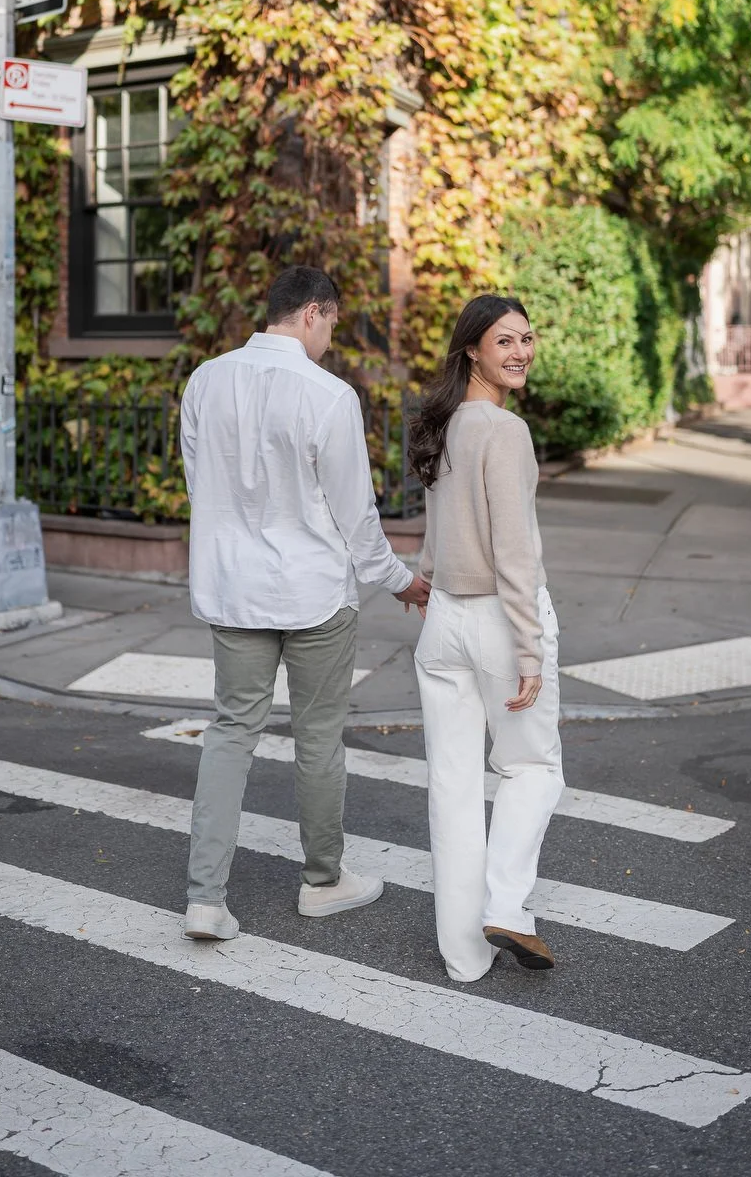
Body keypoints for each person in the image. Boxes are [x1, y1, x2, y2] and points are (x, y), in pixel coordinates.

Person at [179, 265, 432, 941]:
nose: (331, 341)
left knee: (232, 731)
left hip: (233, 588)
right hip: (314, 591)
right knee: (318, 737)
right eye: (333, 325)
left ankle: (205, 898)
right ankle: (323, 882)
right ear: (314, 312)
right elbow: (356, 515)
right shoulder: (329, 395)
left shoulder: (205, 381)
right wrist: (399, 579)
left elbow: (199, 484)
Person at [409, 294, 564, 982]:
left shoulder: (440, 423)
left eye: (527, 338)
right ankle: (506, 907)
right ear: (472, 348)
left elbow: (435, 521)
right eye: (504, 341)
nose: (520, 351)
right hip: (500, 622)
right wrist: (529, 649)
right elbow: (515, 556)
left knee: (452, 783)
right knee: (531, 769)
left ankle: (463, 957)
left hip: (443, 618)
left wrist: (422, 576)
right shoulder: (504, 433)